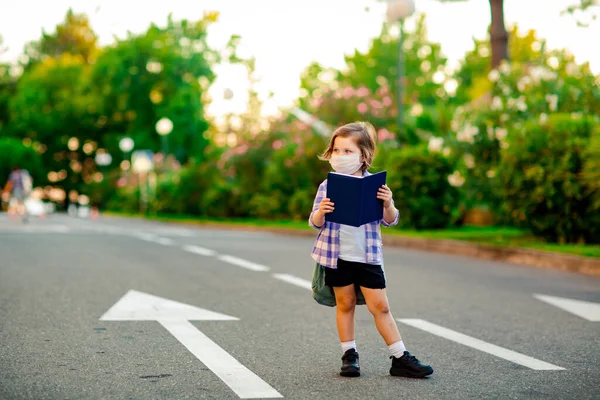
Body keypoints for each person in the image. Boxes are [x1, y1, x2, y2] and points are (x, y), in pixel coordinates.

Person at [308, 121, 433, 379]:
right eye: (336, 150)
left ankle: (399, 357)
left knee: (381, 306)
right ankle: (349, 355)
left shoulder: (375, 185)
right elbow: (314, 222)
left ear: (364, 156)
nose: (340, 156)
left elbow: (391, 219)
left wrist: (388, 204)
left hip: (368, 257)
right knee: (346, 303)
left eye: (347, 151)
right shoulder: (326, 186)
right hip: (337, 256)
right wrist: (321, 212)